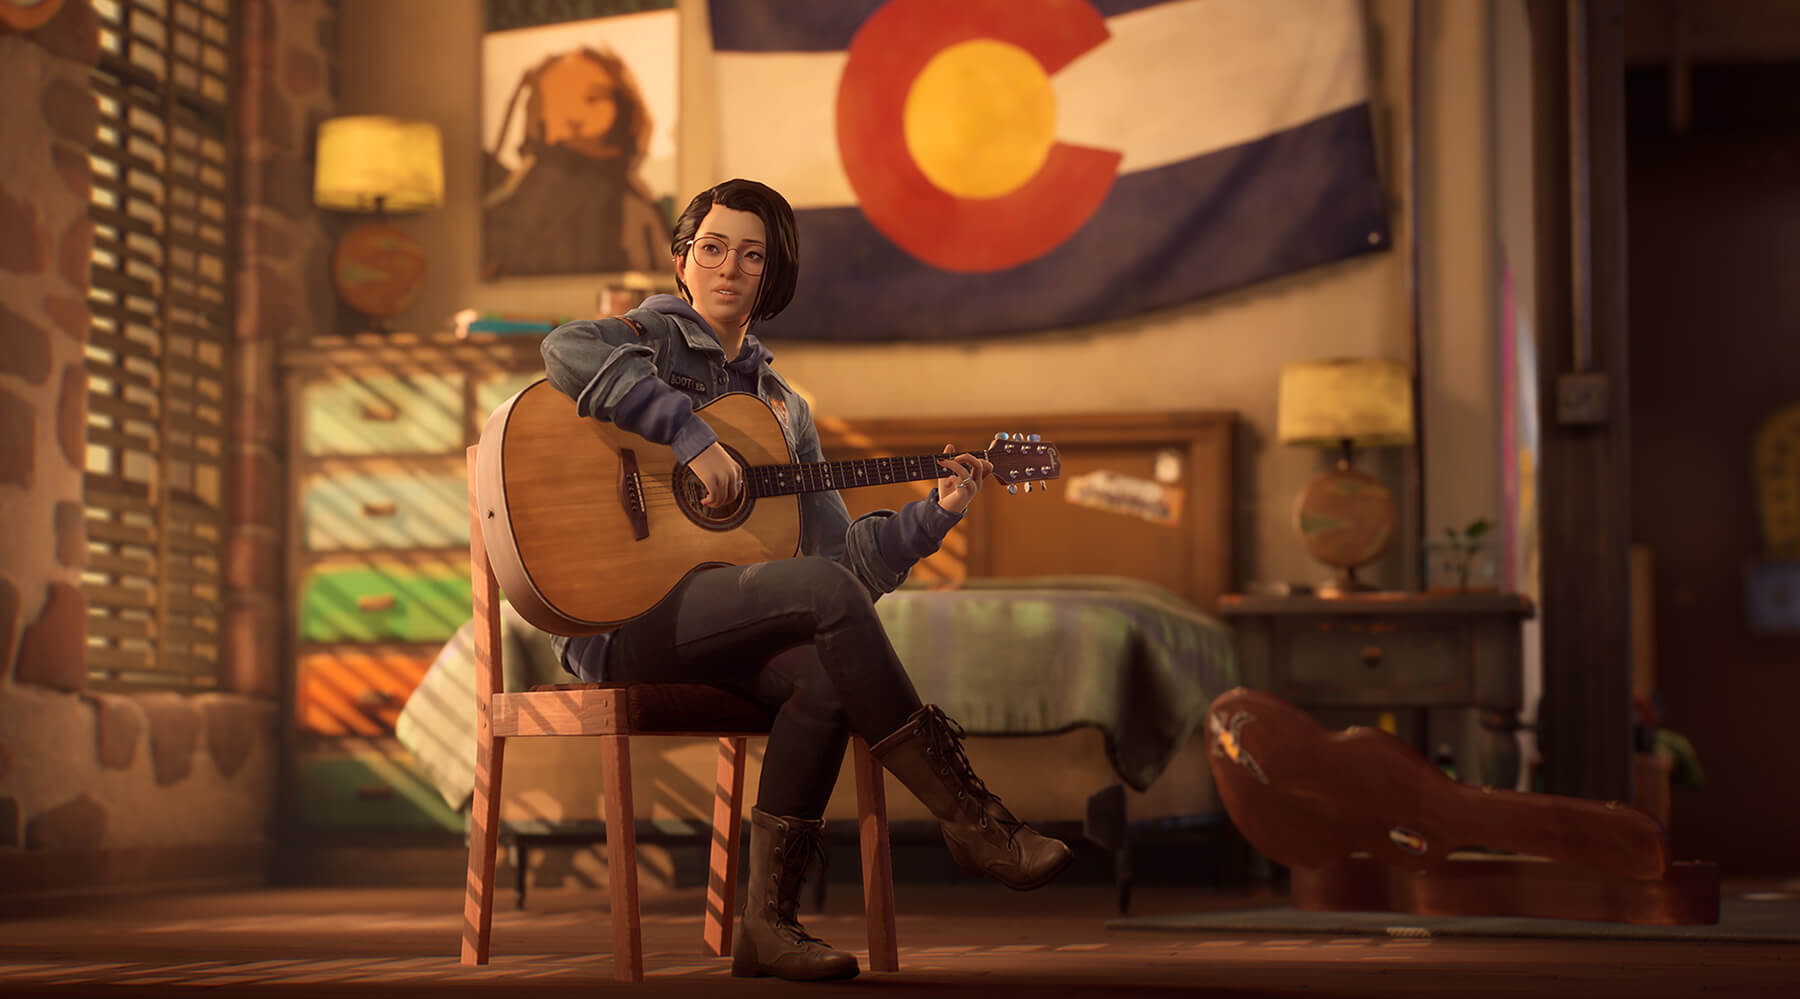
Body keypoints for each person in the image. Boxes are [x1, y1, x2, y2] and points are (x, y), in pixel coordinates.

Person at [539, 179, 1073, 982]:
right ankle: (974, 822)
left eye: (751, 256)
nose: (728, 268)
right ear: (682, 259)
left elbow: (841, 568)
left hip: (720, 624)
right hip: (624, 619)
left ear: (770, 277)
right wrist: (689, 439)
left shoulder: (784, 409)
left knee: (826, 668)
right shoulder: (644, 336)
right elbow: (562, 351)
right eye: (712, 248)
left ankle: (768, 923)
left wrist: (932, 514)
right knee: (825, 603)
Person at [482, 46, 670, 278]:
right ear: (539, 111)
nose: (575, 116)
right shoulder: (527, 191)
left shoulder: (631, 195)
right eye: (559, 100)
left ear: (620, 106)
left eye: (593, 99)